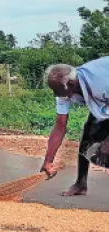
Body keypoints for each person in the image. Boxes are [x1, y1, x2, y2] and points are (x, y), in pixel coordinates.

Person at [41, 58, 109, 196]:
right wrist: (48, 161)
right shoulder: (63, 88)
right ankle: (80, 184)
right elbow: (60, 126)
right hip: (103, 102)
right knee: (87, 136)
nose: (56, 94)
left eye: (58, 90)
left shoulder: (100, 82)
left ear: (72, 84)